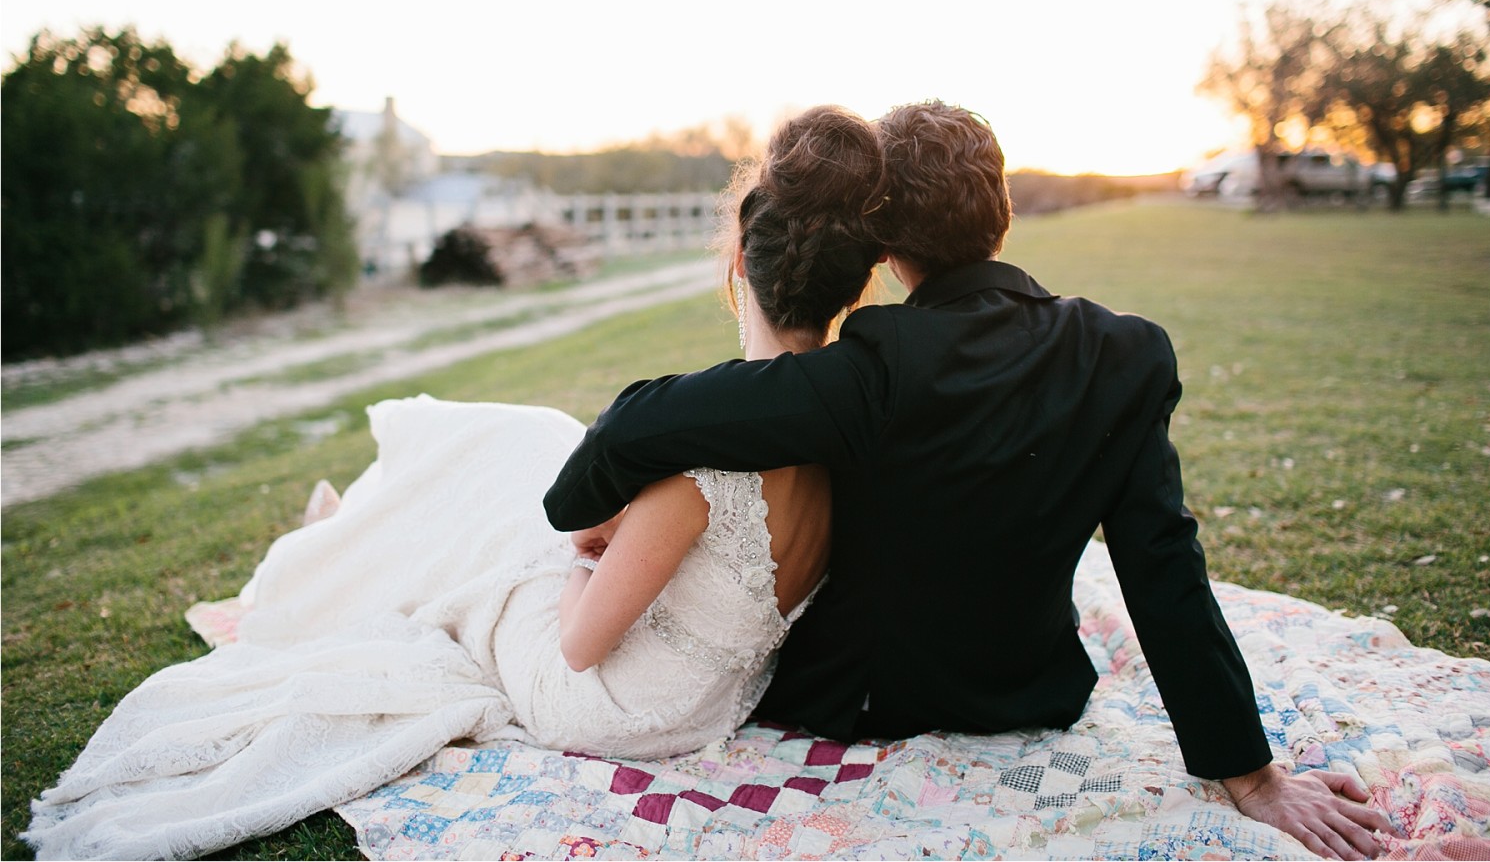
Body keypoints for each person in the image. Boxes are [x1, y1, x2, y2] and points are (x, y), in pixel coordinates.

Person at [23, 105, 887, 861]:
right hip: (709, 705)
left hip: (607, 702)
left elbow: (581, 645)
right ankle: (349, 521)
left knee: (503, 511)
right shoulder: (841, 441)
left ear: (739, 257)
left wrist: (589, 551)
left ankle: (337, 535)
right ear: (853, 277)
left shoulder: (703, 465)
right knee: (524, 450)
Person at [544, 100, 1398, 861]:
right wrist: (1248, 773)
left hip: (862, 701)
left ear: (884, 244)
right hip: (1035, 686)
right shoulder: (1125, 353)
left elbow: (644, 423)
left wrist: (572, 510)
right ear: (1003, 217)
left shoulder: (876, 362)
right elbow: (1164, 566)